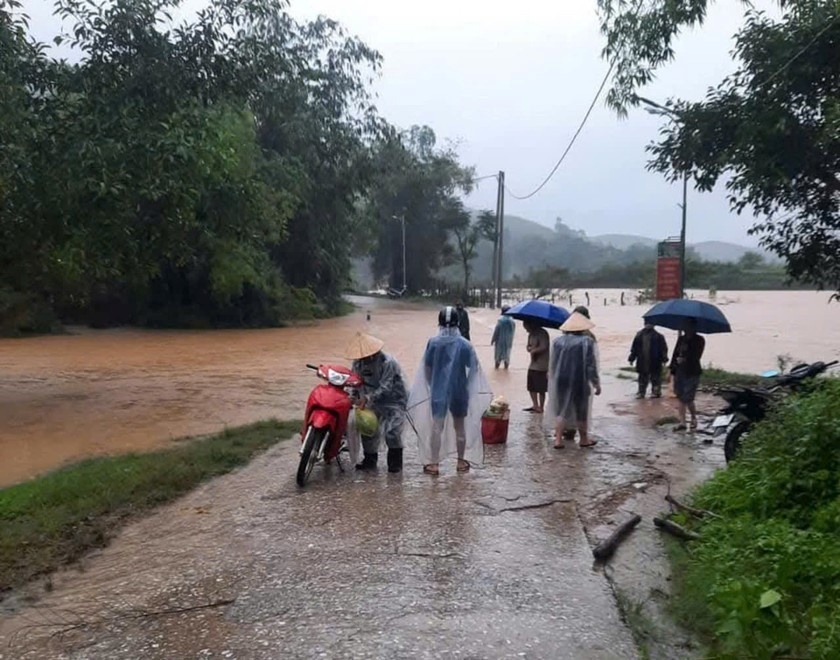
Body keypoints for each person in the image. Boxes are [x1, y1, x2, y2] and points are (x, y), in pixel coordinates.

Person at [408, 306, 491, 475]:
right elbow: (474, 368)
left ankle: (434, 463)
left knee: (436, 427)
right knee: (459, 427)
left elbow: (427, 368)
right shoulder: (465, 344)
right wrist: (466, 385)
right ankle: (461, 462)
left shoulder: (433, 342)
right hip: (459, 391)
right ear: (457, 323)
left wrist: (433, 385)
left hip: (438, 391)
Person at [345, 332, 408, 473]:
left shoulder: (388, 362)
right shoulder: (358, 363)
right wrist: (353, 396)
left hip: (394, 399)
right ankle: (370, 460)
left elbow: (386, 386)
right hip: (371, 398)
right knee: (368, 428)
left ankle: (395, 464)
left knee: (392, 431)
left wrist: (367, 398)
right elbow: (355, 382)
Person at [548, 311, 601, 449]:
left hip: (561, 380)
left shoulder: (557, 342)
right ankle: (584, 439)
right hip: (580, 380)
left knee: (561, 410)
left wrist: (552, 379)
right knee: (581, 410)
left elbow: (553, 364)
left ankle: (558, 440)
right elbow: (590, 365)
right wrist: (596, 383)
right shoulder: (587, 342)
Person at [563, 306, 597, 441]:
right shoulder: (589, 337)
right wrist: (595, 380)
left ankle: (568, 431)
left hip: (564, 376)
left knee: (566, 405)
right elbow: (592, 361)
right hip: (581, 378)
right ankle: (583, 436)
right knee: (581, 408)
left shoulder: (565, 335)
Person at [669, 319, 706, 431]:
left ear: (694, 327)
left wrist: (685, 359)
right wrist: (672, 369)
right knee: (680, 397)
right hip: (680, 371)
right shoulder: (681, 339)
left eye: (688, 326)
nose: (686, 328)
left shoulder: (699, 340)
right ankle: (684, 421)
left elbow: (697, 356)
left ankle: (691, 419)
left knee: (687, 398)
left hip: (692, 372)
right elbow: (675, 354)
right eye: (685, 326)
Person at [629, 323, 669, 399]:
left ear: (654, 325)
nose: (648, 325)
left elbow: (664, 349)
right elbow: (634, 348)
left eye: (651, 324)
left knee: (655, 378)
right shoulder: (639, 335)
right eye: (647, 323)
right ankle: (641, 392)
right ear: (644, 324)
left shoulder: (659, 336)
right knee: (642, 378)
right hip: (642, 359)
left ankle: (656, 392)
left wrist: (664, 359)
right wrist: (631, 358)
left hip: (655, 360)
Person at [523, 320, 550, 413]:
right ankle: (535, 405)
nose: (526, 330)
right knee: (531, 386)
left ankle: (541, 407)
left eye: (527, 327)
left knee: (541, 387)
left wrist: (534, 351)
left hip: (542, 364)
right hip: (533, 364)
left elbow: (544, 346)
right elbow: (528, 346)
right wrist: (529, 348)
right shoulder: (531, 334)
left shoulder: (542, 333)